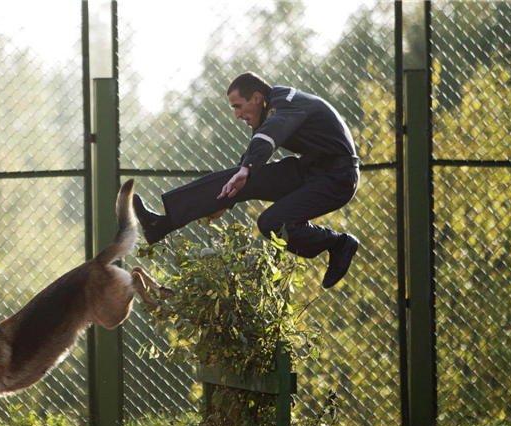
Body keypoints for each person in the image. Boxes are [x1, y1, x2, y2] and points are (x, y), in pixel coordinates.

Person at [132, 72, 360, 289]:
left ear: (256, 97)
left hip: (339, 177)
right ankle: (161, 224)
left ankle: (338, 243)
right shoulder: (269, 109)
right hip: (311, 170)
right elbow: (252, 155)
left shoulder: (285, 105)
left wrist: (246, 170)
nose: (237, 115)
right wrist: (226, 199)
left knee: (271, 222)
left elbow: (271, 132)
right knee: (244, 174)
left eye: (238, 106)